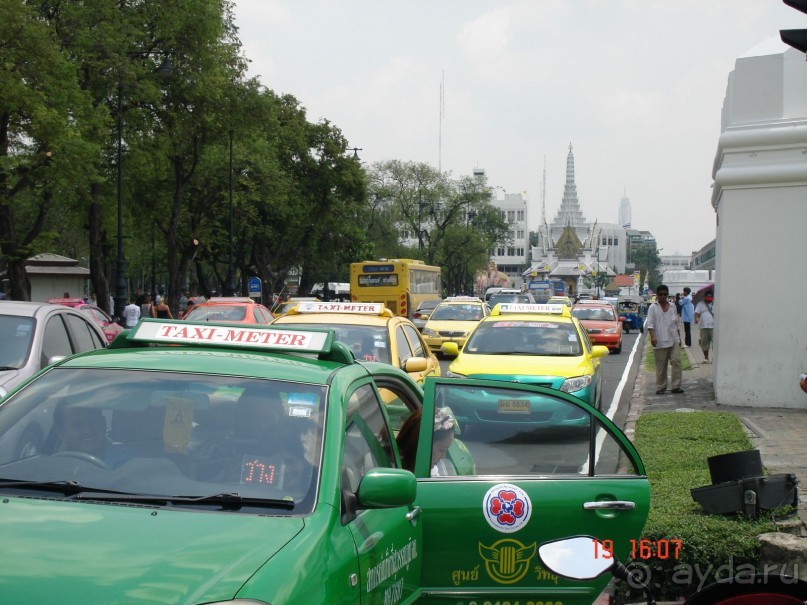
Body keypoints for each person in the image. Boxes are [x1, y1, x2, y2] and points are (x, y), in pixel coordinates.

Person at [53, 404, 131, 468]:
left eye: (93, 421)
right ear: (61, 434)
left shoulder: (129, 460)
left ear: (104, 423)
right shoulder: (53, 467)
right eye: (77, 425)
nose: (88, 430)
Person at [645, 284, 683, 395]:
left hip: (673, 339)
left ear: (667, 295)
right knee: (661, 366)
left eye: (665, 294)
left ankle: (676, 386)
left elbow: (676, 323)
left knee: (676, 361)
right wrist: (653, 336)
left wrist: (679, 337)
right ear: (657, 295)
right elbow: (650, 324)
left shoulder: (672, 306)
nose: (662, 296)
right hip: (660, 340)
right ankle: (661, 386)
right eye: (660, 294)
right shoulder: (653, 307)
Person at [396, 407, 457, 476]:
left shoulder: (432, 471)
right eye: (441, 449)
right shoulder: (394, 471)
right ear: (423, 445)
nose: (443, 457)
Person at [694, 289, 714, 364]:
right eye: (708, 297)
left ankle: (714, 358)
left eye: (710, 297)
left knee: (715, 343)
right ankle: (706, 358)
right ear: (705, 297)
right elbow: (696, 313)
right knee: (704, 343)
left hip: (714, 327)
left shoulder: (716, 303)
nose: (709, 299)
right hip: (703, 327)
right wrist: (696, 319)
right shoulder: (700, 304)